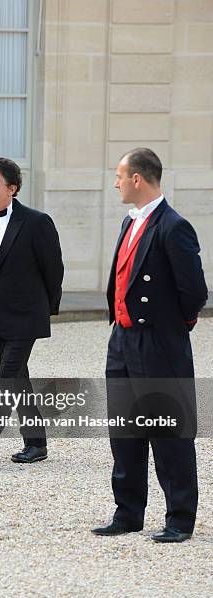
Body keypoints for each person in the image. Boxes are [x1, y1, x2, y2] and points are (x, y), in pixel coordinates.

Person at [92, 148, 207, 543]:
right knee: (124, 431)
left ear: (138, 179)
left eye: (120, 177)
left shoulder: (174, 226)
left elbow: (194, 292)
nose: (116, 183)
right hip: (122, 339)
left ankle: (179, 518)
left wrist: (171, 331)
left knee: (168, 431)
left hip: (158, 342)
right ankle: (128, 513)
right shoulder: (131, 222)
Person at [0, 157, 64, 470]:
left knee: (5, 379)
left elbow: (54, 270)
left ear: (13, 188)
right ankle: (36, 443)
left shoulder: (37, 222)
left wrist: (44, 311)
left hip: (26, 316)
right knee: (18, 380)